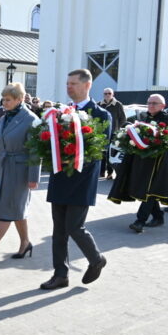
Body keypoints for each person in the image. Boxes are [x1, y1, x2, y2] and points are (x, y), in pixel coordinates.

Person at [41, 69, 111, 290]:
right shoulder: (61, 112)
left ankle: (96, 259)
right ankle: (60, 274)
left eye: (73, 83)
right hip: (60, 177)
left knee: (74, 226)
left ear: (87, 85)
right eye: (67, 83)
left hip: (82, 179)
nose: (68, 87)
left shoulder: (100, 114)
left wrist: (74, 158)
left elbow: (100, 148)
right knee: (58, 230)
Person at [0, 83, 40, 263]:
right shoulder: (4, 118)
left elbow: (35, 151)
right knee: (16, 209)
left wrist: (33, 178)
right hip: (2, 168)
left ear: (19, 99)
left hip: (20, 170)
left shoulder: (31, 119)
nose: (4, 102)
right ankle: (25, 242)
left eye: (8, 99)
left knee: (5, 211)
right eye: (3, 99)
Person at [109, 94, 168, 233]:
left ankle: (140, 221)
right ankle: (158, 216)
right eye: (149, 102)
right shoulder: (142, 118)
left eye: (155, 103)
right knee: (147, 190)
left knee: (151, 191)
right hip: (141, 161)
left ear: (162, 106)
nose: (151, 105)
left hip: (158, 164)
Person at [98, 87, 126, 179]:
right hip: (102, 133)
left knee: (110, 154)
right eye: (105, 93)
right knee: (101, 153)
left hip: (113, 133)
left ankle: (110, 173)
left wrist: (117, 129)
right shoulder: (99, 104)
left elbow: (123, 119)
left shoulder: (118, 104)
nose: (107, 95)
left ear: (112, 94)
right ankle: (101, 172)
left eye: (109, 93)